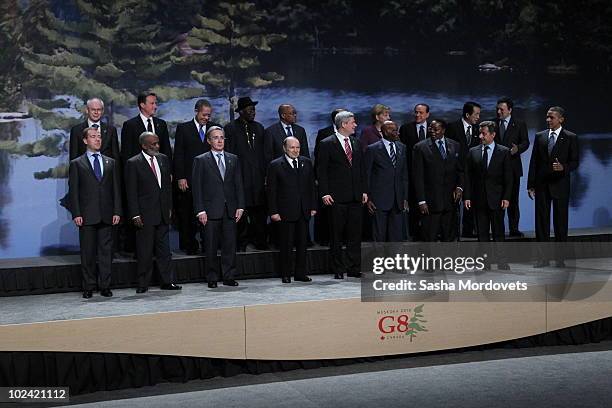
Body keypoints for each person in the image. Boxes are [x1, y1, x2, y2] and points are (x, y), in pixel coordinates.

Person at [69, 127, 121, 298]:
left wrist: (116, 211)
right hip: (87, 215)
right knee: (88, 253)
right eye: (93, 137)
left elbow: (115, 190)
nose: (97, 139)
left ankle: (105, 285)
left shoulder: (110, 162)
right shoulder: (77, 163)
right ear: (85, 140)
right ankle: (89, 286)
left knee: (106, 254)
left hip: (106, 214)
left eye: (99, 137)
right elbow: (74, 192)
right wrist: (76, 213)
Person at [125, 132, 181, 293]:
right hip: (144, 215)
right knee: (145, 251)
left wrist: (169, 208)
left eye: (157, 143)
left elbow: (167, 188)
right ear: (143, 145)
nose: (157, 146)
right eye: (153, 144)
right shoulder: (133, 163)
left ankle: (167, 281)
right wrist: (135, 214)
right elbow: (131, 192)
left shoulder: (163, 159)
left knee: (165, 251)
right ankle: (143, 283)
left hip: (163, 213)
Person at [316, 111, 367, 279]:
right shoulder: (326, 143)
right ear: (343, 124)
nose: (355, 125)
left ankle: (354, 268)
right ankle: (338, 269)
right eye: (353, 122)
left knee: (355, 235)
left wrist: (364, 191)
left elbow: (361, 170)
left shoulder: (356, 142)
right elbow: (321, 171)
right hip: (336, 198)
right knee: (336, 236)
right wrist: (324, 193)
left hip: (355, 197)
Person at [192, 126, 245, 288]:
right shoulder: (201, 160)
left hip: (230, 209)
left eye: (222, 137)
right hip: (210, 211)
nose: (220, 140)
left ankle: (228, 276)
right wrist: (200, 210)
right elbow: (197, 187)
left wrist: (240, 206)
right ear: (209, 141)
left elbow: (238, 184)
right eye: (216, 137)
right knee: (211, 246)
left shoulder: (233, 158)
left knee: (229, 245)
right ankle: (212, 277)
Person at [527, 106, 579, 266]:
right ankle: (543, 259)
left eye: (552, 117)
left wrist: (564, 167)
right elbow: (534, 162)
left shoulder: (570, 137)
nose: (548, 120)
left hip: (560, 185)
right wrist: (531, 184)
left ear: (561, 119)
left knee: (560, 223)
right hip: (542, 185)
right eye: (547, 117)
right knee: (541, 223)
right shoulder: (540, 136)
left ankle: (560, 259)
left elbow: (575, 162)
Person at [463, 121, 513, 269]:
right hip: (479, 199)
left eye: (484, 133)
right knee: (482, 234)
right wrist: (467, 196)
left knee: (499, 232)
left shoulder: (504, 152)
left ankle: (502, 262)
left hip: (497, 199)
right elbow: (468, 176)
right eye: (480, 133)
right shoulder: (473, 151)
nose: (480, 136)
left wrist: (506, 197)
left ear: (493, 134)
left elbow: (508, 178)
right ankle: (485, 262)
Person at [267, 137, 316, 283]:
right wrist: (273, 211)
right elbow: (271, 191)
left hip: (303, 210)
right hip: (285, 212)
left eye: (297, 148)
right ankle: (286, 274)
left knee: (302, 245)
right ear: (284, 148)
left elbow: (311, 187)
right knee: (286, 245)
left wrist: (313, 206)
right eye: (292, 147)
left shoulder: (306, 162)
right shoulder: (275, 165)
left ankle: (300, 273)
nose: (295, 150)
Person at [173, 99, 220, 255]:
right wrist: (180, 177)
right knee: (188, 213)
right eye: (204, 114)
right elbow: (179, 154)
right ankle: (189, 245)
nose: (206, 118)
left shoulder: (214, 130)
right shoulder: (184, 129)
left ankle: (208, 244)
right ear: (196, 111)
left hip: (210, 180)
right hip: (189, 179)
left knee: (209, 213)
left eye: (209, 115)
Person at [224, 96, 267, 251]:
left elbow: (264, 153)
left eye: (254, 109)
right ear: (241, 111)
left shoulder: (259, 128)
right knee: (241, 212)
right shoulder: (231, 128)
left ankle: (260, 240)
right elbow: (229, 153)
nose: (253, 112)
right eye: (250, 110)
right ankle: (241, 242)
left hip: (257, 177)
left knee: (259, 212)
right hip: (241, 176)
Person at [412, 119, 463, 242]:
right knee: (429, 238)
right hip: (430, 203)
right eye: (431, 129)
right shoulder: (420, 147)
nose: (433, 132)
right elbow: (417, 176)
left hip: (450, 202)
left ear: (443, 130)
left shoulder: (455, 145)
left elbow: (460, 170)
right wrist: (421, 201)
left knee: (449, 238)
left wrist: (460, 187)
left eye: (436, 129)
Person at [365, 121, 409, 242]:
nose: (397, 132)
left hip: (397, 200)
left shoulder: (402, 147)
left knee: (396, 238)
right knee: (379, 236)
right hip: (379, 201)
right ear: (385, 131)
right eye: (394, 130)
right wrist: (368, 198)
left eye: (397, 129)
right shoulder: (372, 149)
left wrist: (404, 197)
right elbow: (366, 175)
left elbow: (404, 175)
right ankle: (379, 260)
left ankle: (394, 261)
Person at [494, 97, 530, 237]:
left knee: (513, 200)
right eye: (497, 109)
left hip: (513, 168)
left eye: (501, 109)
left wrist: (518, 149)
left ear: (510, 110)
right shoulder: (492, 124)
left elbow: (526, 142)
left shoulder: (519, 124)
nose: (498, 112)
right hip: (495, 170)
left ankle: (514, 229)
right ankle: (498, 230)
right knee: (496, 201)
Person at [446, 101, 481, 238]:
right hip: (455, 172)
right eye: (476, 114)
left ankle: (468, 230)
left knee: (470, 201)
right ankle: (452, 232)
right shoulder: (452, 127)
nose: (478, 117)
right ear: (467, 114)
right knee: (453, 202)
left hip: (472, 173)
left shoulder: (478, 129)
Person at [313, 108, 346, 246]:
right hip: (328, 179)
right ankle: (325, 239)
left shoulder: (350, 134)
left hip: (344, 181)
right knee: (328, 212)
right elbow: (319, 158)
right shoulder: (324, 133)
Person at [399, 103, 430, 240]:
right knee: (413, 204)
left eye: (421, 113)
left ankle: (428, 232)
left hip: (429, 175)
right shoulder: (406, 128)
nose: (417, 115)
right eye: (416, 112)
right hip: (412, 173)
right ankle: (413, 233)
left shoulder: (433, 129)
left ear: (427, 114)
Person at [121, 92, 172, 168]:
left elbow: (166, 150)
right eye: (152, 103)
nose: (155, 106)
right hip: (138, 171)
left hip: (159, 170)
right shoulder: (130, 125)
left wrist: (169, 171)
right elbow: (126, 153)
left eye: (155, 103)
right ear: (142, 105)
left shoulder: (161, 124)